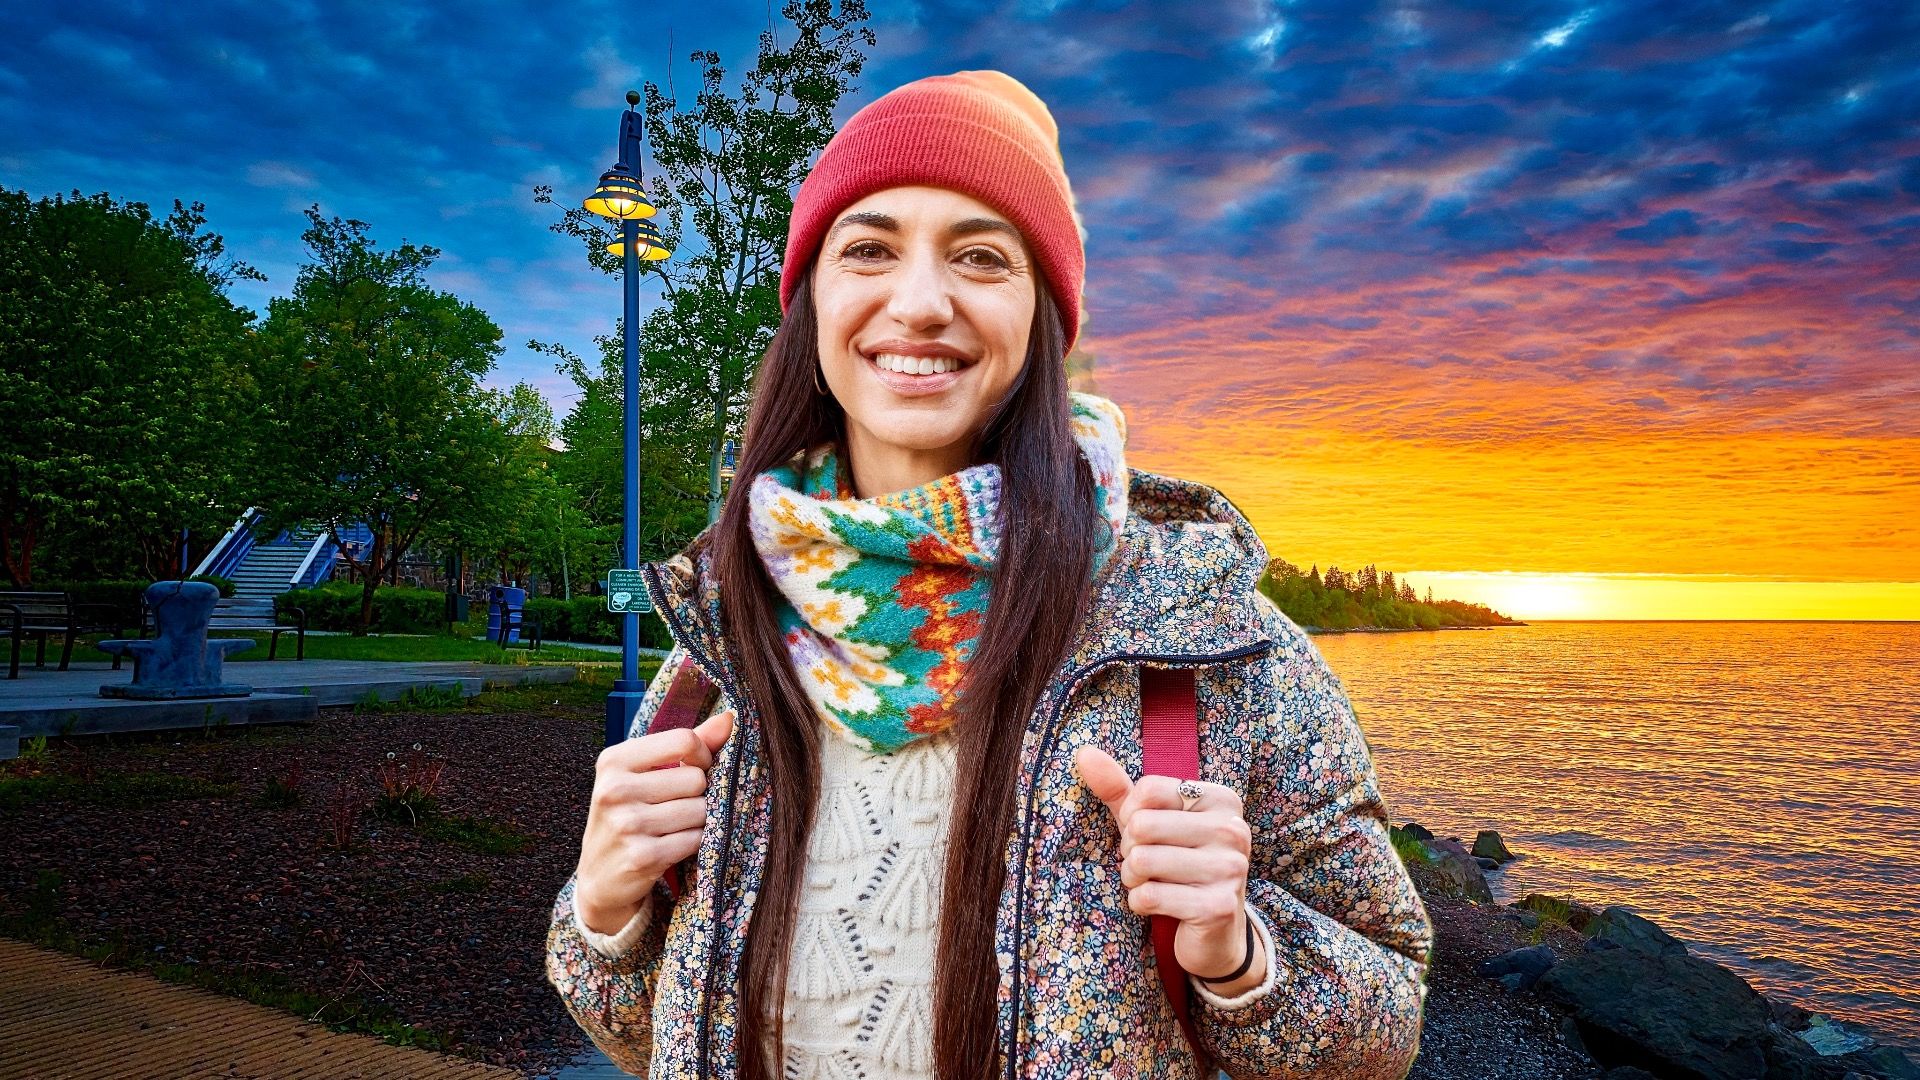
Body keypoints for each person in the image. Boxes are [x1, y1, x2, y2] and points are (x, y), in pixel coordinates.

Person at [546, 70, 1433, 1080]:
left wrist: (1239, 956)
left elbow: (1387, 1027)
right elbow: (641, 1032)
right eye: (870, 249)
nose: (921, 304)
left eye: (980, 256)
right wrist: (604, 909)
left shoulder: (1208, 640)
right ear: (812, 300)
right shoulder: (723, 642)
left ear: (1043, 318)